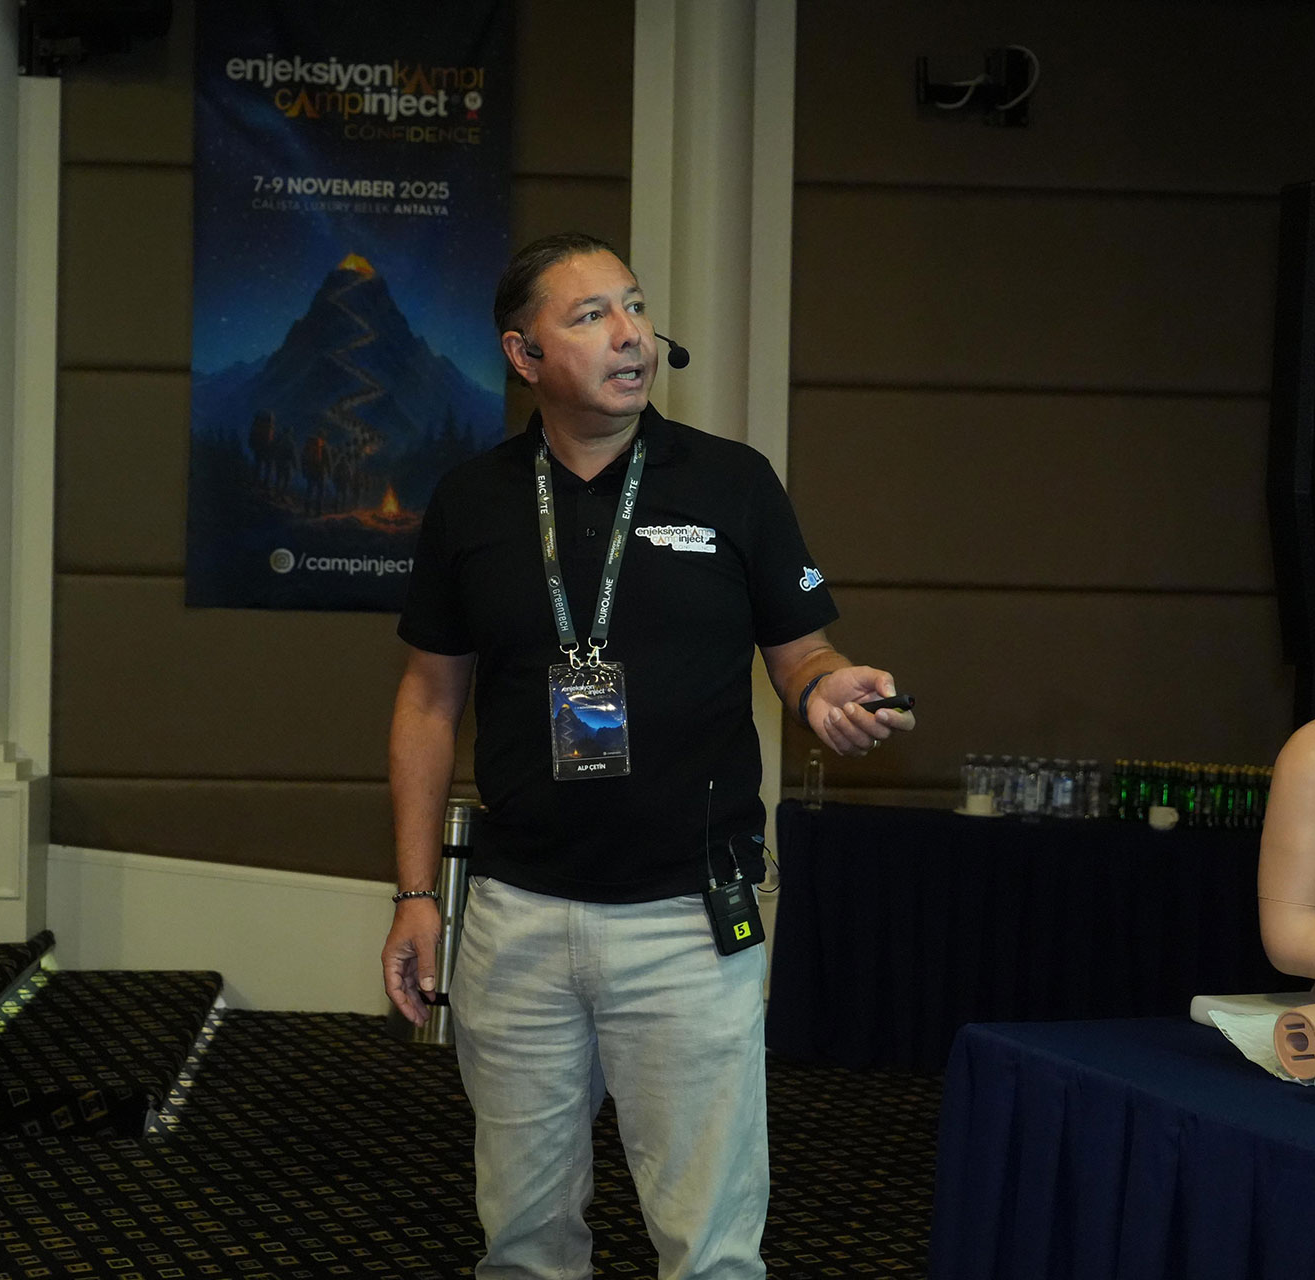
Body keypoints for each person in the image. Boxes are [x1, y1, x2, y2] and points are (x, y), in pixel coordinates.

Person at [381, 231, 915, 1279]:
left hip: (688, 918)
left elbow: (802, 652)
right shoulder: (472, 500)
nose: (631, 334)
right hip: (517, 919)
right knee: (522, 1244)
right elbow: (427, 700)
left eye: (633, 306)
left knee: (710, 1250)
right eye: (590, 316)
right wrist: (415, 892)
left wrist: (827, 687)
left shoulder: (732, 482)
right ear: (524, 354)